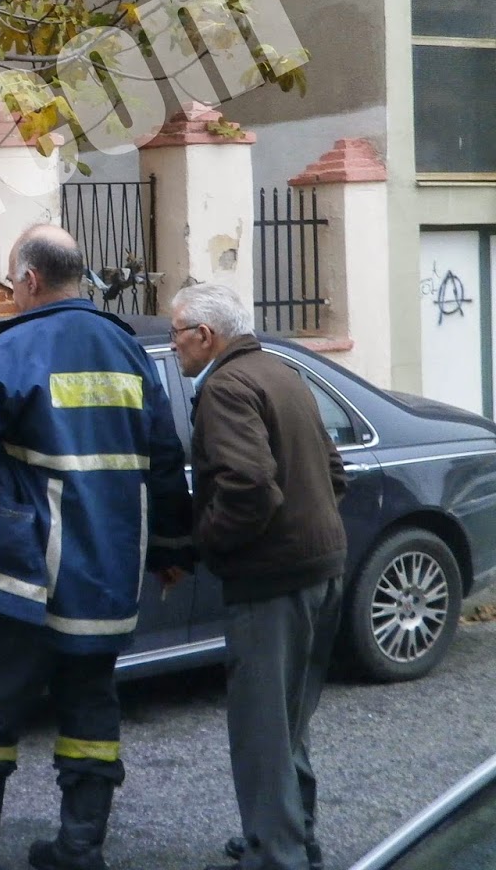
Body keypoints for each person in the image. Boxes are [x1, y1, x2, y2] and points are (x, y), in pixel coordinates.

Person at [0, 225, 192, 870]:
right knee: (90, 700)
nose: (11, 294)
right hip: (108, 571)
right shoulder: (128, 351)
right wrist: (171, 549)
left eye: (12, 282)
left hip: (28, 566)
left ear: (32, 280)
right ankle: (80, 846)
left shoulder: (17, 347)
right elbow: (164, 456)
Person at [171, 283, 347, 870]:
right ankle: (296, 837)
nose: (173, 345)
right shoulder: (281, 371)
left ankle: (276, 853)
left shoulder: (225, 387)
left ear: (205, 336)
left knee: (263, 730)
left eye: (176, 333)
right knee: (289, 721)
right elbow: (333, 471)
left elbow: (248, 486)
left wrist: (207, 541)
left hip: (271, 582)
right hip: (322, 568)